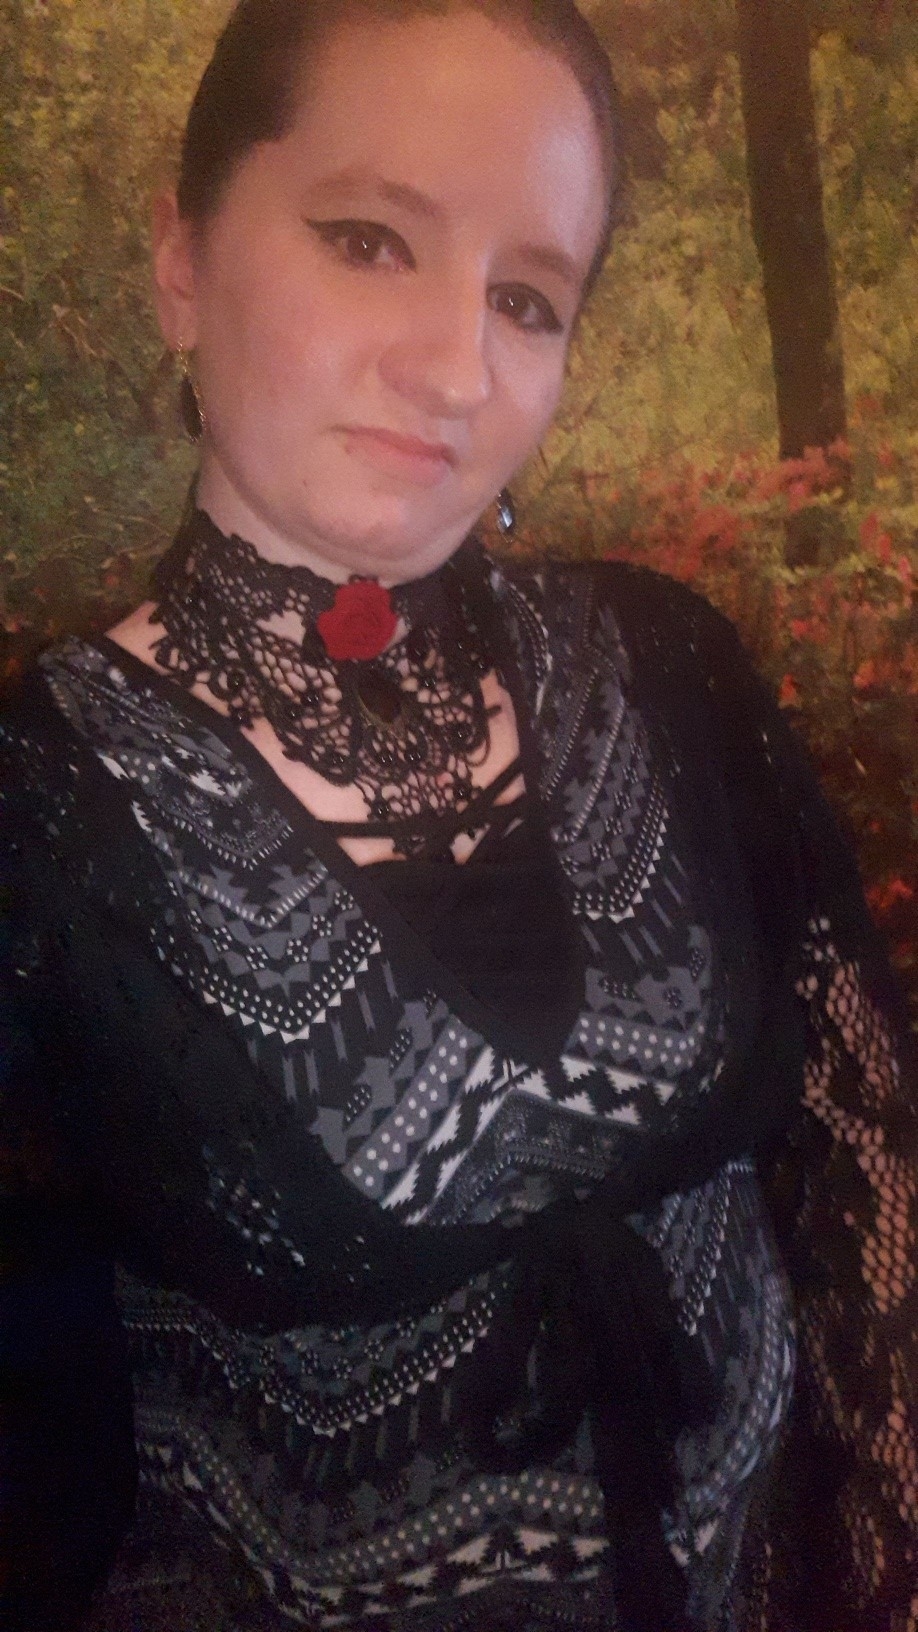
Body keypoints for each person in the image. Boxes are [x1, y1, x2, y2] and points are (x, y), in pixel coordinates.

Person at [1, 2, 916, 1629]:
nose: (456, 369)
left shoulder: (665, 669)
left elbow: (860, 1165)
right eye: (369, 240)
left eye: (525, 297)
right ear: (181, 263)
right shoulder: (41, 808)